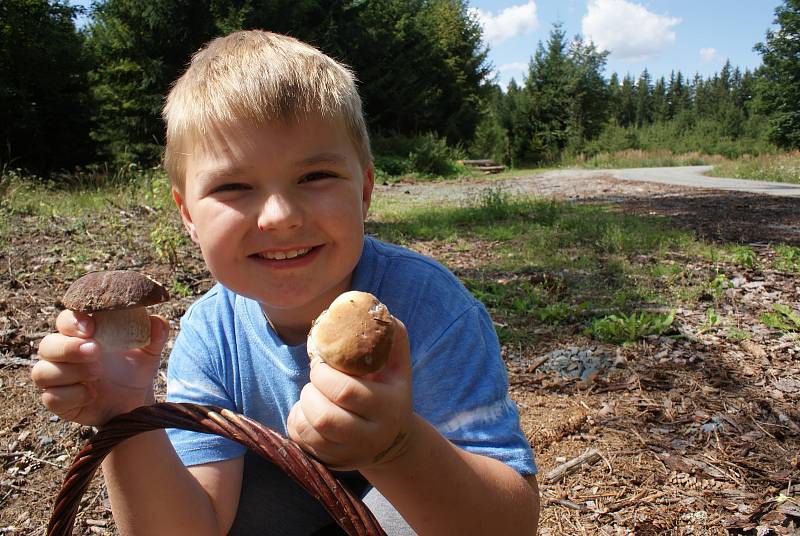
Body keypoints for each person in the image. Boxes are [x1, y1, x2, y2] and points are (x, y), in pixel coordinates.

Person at [32, 30, 539, 535]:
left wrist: (397, 447)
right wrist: (126, 415)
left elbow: (509, 523)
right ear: (187, 213)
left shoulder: (429, 307)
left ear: (364, 190)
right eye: (233, 186)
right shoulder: (212, 335)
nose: (279, 216)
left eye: (315, 176)